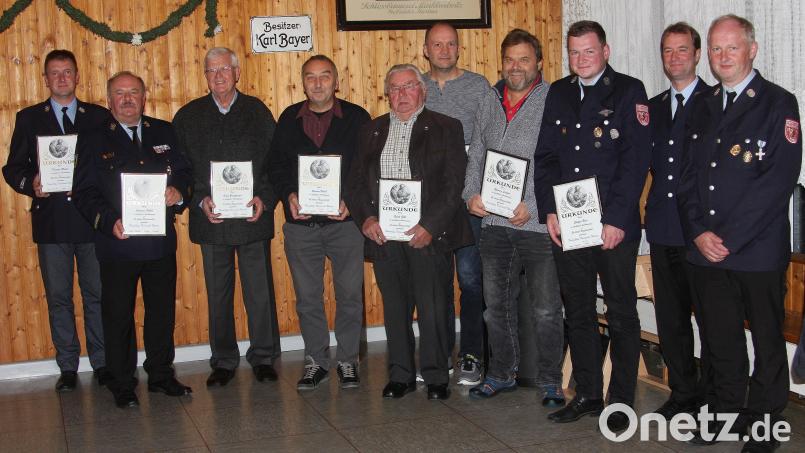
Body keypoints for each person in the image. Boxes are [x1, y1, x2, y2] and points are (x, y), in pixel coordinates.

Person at [677, 15, 801, 452]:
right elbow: (686, 177)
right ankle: (723, 415)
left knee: (767, 339)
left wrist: (725, 237)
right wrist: (697, 233)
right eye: (715, 48)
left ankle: (765, 422)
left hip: (756, 250)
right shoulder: (702, 103)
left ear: (752, 49)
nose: (722, 56)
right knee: (719, 339)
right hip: (706, 250)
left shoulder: (778, 103)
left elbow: (777, 181)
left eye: (731, 47)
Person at [533, 20, 651, 432]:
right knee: (578, 309)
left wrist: (617, 219)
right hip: (569, 222)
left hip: (612, 226)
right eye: (573, 52)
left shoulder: (629, 91)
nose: (580, 60)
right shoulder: (559, 92)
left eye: (588, 51)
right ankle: (586, 392)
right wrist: (549, 209)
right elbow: (546, 156)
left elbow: (635, 162)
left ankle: (621, 401)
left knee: (620, 312)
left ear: (606, 50)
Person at [345, 64, 472, 401]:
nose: (402, 95)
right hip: (385, 236)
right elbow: (355, 183)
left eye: (409, 87)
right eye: (395, 88)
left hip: (428, 234)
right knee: (396, 308)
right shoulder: (370, 131)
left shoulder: (447, 127)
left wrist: (430, 225)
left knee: (432, 306)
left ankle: (435, 377)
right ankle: (400, 374)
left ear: (423, 90)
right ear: (387, 94)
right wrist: (367, 220)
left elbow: (453, 184)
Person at [72, 71, 193, 408]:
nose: (127, 99)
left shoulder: (164, 131)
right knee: (118, 314)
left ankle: (160, 375)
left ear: (144, 96)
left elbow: (184, 172)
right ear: (109, 99)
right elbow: (83, 192)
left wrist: (178, 191)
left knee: (161, 312)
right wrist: (108, 222)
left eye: (134, 92)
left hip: (158, 242)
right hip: (118, 243)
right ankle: (122, 382)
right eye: (120, 93)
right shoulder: (93, 139)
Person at [462, 29, 564, 406]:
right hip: (494, 226)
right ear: (501, 63)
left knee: (546, 308)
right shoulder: (489, 99)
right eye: (509, 59)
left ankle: (551, 379)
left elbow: (561, 161)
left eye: (524, 59)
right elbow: (476, 156)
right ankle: (501, 373)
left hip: (537, 224)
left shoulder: (554, 100)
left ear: (538, 62)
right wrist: (470, 195)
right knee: (495, 307)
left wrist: (536, 206)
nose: (515, 66)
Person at [3, 49, 110, 392]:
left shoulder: (98, 116)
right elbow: (12, 168)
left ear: (78, 77)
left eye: (68, 72)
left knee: (97, 295)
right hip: (52, 223)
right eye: (55, 73)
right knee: (59, 297)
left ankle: (103, 362)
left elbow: (110, 165)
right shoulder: (29, 118)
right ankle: (68, 365)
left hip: (92, 222)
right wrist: (30, 183)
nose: (62, 78)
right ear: (45, 79)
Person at [173, 47, 281, 387]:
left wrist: (266, 198)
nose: (218, 76)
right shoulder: (188, 116)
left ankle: (264, 357)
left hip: (252, 217)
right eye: (211, 70)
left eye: (224, 69)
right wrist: (199, 199)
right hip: (212, 218)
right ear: (205, 76)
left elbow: (275, 164)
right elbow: (180, 170)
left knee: (259, 292)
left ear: (237, 73)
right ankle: (223, 360)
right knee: (218, 294)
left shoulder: (258, 112)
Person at [268, 55, 371, 390]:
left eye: (324, 76)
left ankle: (347, 360)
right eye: (310, 77)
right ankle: (316, 360)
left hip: (345, 225)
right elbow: (277, 167)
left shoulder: (356, 118)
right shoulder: (287, 119)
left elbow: (368, 169)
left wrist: (352, 205)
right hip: (301, 227)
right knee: (308, 297)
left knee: (349, 295)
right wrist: (289, 196)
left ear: (336, 80)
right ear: (303, 82)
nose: (317, 83)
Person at [645, 22, 712, 419]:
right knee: (671, 320)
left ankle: (713, 392)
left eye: (682, 50)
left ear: (698, 54)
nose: (675, 58)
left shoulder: (716, 101)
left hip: (703, 231)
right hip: (664, 228)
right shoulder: (652, 108)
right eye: (668, 51)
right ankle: (683, 392)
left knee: (710, 318)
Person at [422, 22, 491, 386]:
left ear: (459, 48)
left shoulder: (479, 87)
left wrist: (477, 192)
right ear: (426, 50)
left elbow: (489, 140)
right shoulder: (415, 87)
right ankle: (439, 354)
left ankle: (472, 355)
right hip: (430, 208)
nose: (444, 50)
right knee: (436, 282)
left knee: (469, 279)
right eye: (437, 44)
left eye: (451, 44)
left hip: (469, 203)